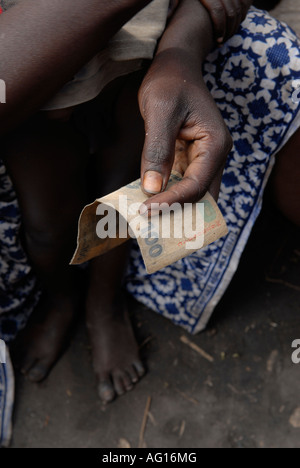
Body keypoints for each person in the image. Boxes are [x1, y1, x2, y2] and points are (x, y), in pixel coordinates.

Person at [0, 0, 299, 445]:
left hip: (140, 45)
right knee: (47, 223)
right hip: (26, 60)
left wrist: (179, 53)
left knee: (132, 191)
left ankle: (104, 304)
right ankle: (62, 299)